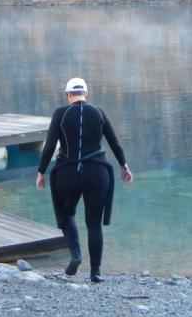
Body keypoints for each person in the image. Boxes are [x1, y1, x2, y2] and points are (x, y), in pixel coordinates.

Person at [36, 77, 133, 283]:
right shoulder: (99, 112)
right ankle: (95, 272)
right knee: (93, 223)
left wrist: (41, 171)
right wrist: (124, 166)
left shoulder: (60, 114)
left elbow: (50, 145)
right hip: (97, 173)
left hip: (67, 174)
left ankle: (76, 254)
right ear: (86, 94)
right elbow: (114, 143)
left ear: (68, 95)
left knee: (67, 214)